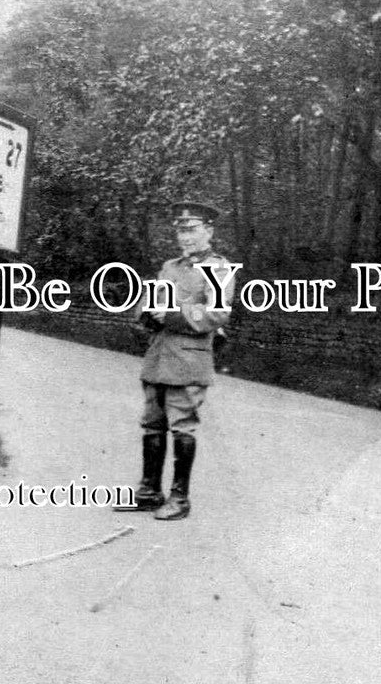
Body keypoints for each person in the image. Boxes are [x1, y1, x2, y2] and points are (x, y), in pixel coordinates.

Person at [120, 201, 237, 521]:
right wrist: (147, 313)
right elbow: (150, 300)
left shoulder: (217, 268)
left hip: (189, 362)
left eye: (192, 230)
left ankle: (180, 498)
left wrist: (173, 313)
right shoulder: (170, 267)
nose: (185, 237)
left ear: (209, 231)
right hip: (158, 357)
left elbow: (217, 312)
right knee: (152, 425)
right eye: (180, 231)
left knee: (182, 427)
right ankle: (149, 492)